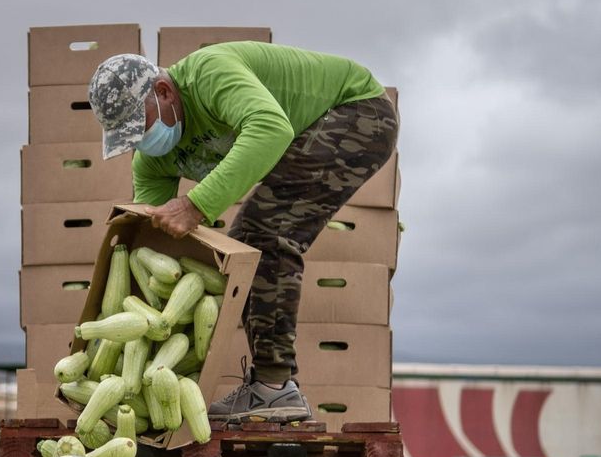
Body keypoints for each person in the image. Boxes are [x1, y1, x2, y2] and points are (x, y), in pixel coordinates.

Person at [87, 41, 398, 424]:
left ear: (165, 92)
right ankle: (275, 388)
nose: (141, 143)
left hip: (357, 112)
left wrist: (194, 206)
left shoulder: (209, 74)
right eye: (130, 139)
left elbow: (270, 128)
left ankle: (273, 388)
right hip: (307, 134)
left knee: (264, 235)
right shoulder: (153, 161)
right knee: (247, 242)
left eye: (141, 128)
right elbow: (152, 251)